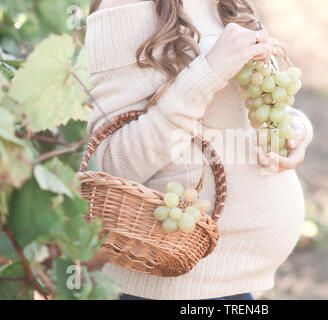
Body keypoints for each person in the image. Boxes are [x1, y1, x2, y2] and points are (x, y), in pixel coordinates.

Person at [86, 0, 313, 300]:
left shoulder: (225, 3)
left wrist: (295, 129)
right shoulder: (126, 5)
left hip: (235, 284)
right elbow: (112, 163)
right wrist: (209, 72)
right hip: (173, 287)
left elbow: (238, 114)